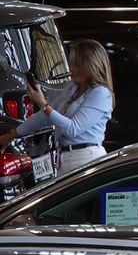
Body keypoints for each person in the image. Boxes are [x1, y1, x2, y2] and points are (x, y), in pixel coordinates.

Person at [3, 41, 115, 172]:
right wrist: (12, 135)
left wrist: (43, 105)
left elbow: (73, 129)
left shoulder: (100, 93)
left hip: (86, 157)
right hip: (64, 157)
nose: (71, 68)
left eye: (76, 64)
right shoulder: (71, 89)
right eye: (71, 63)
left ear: (90, 66)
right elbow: (43, 117)